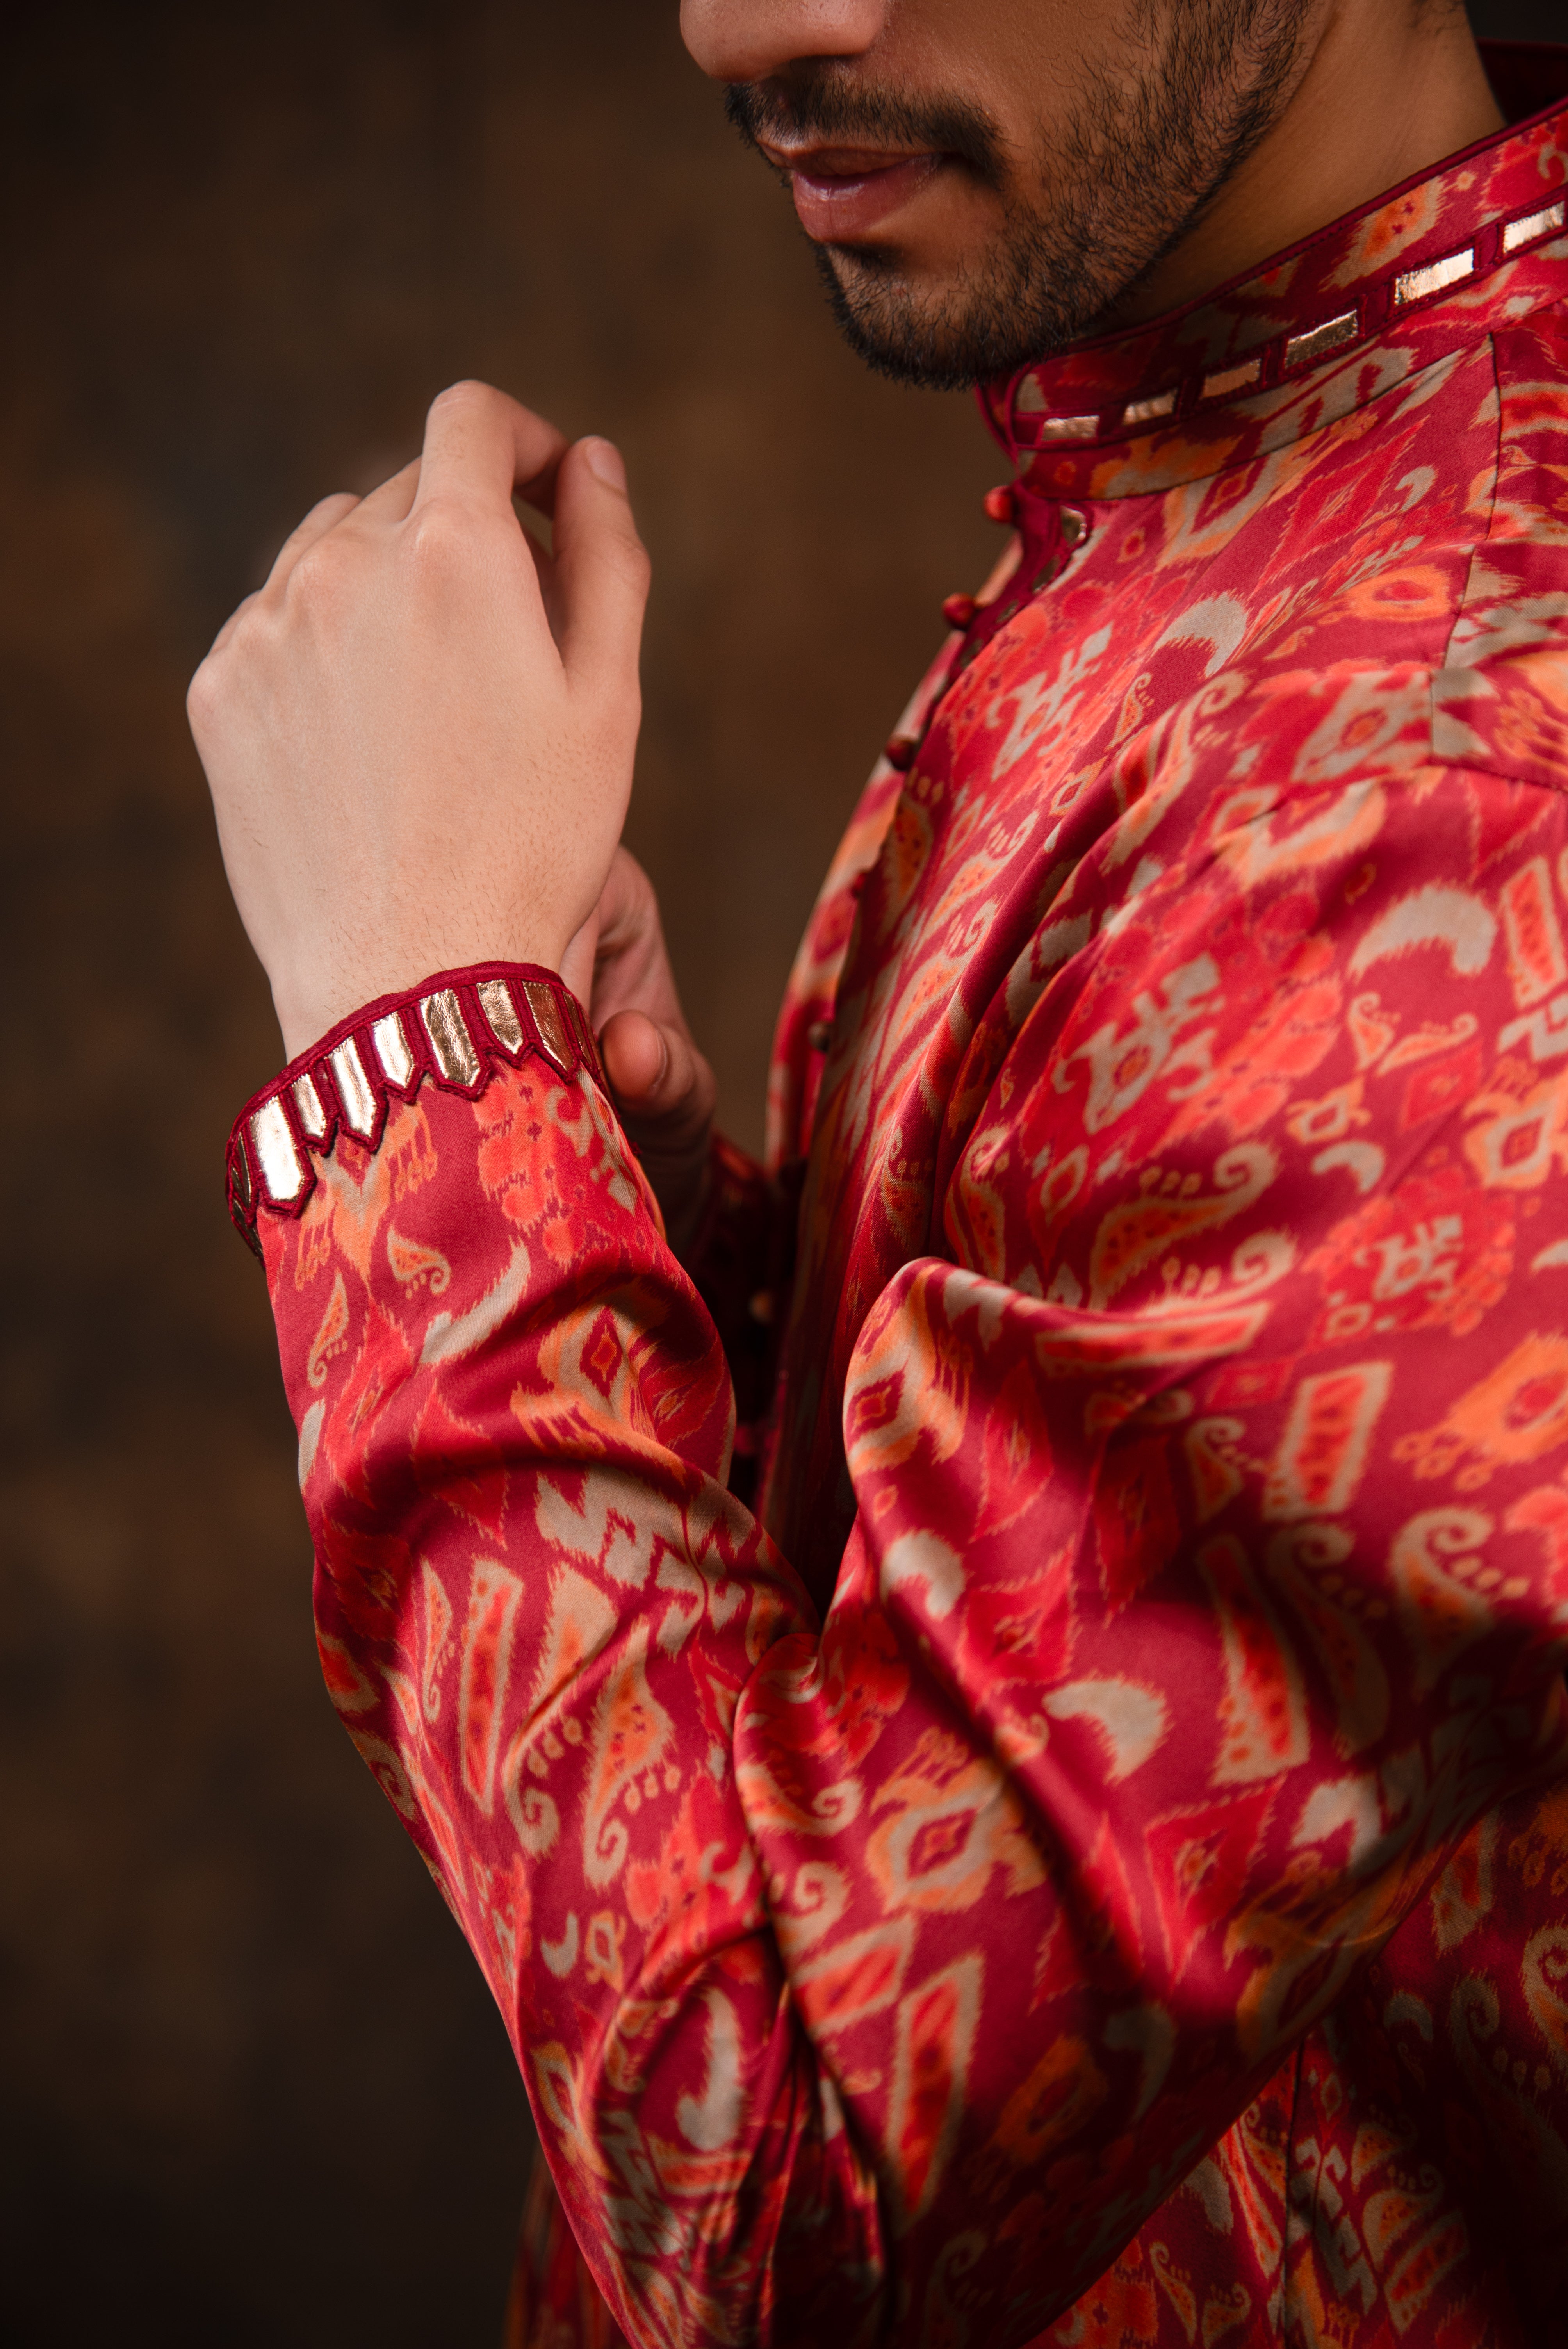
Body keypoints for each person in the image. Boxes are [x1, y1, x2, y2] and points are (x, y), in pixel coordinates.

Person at [187, 2, 1568, 2341]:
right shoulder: (1284, 439)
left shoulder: (1456, 775)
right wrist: (623, 1198)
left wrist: (415, 1083)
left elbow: (773, 2186)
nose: (749, 19)